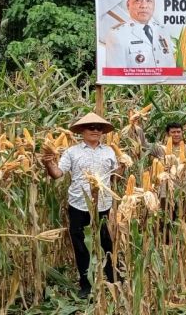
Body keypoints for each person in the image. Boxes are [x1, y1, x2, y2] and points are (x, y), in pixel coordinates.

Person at [42, 112, 118, 299]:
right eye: (91, 127)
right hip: (78, 204)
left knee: (106, 243)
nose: (95, 131)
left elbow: (116, 175)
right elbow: (58, 174)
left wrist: (123, 166)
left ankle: (113, 278)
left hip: (103, 204)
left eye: (99, 128)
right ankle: (86, 284)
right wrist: (49, 165)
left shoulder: (109, 151)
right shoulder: (72, 152)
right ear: (82, 130)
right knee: (81, 245)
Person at [105, 0, 175, 68]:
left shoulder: (163, 31)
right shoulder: (117, 35)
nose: (144, 5)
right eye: (138, 0)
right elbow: (116, 76)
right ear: (128, 5)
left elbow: (171, 66)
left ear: (154, 5)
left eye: (149, 0)